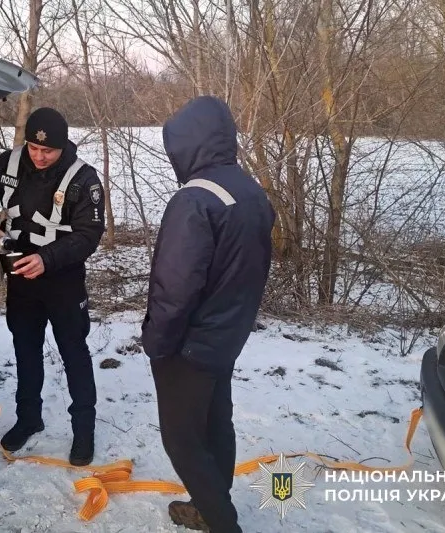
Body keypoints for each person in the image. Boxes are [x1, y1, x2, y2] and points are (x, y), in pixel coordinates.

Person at [141, 96, 275, 532]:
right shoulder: (249, 190)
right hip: (228, 335)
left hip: (191, 345)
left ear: (186, 145)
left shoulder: (195, 200)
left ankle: (221, 521)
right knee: (217, 422)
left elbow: (175, 286)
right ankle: (210, 507)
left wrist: (157, 344)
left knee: (182, 440)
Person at [0, 107, 105, 466]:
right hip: (20, 276)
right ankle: (28, 418)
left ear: (62, 146)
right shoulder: (9, 163)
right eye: (34, 148)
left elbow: (88, 235)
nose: (39, 156)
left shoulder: (83, 179)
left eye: (47, 151)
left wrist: (47, 259)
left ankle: (83, 430)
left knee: (73, 351)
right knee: (25, 348)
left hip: (63, 279)